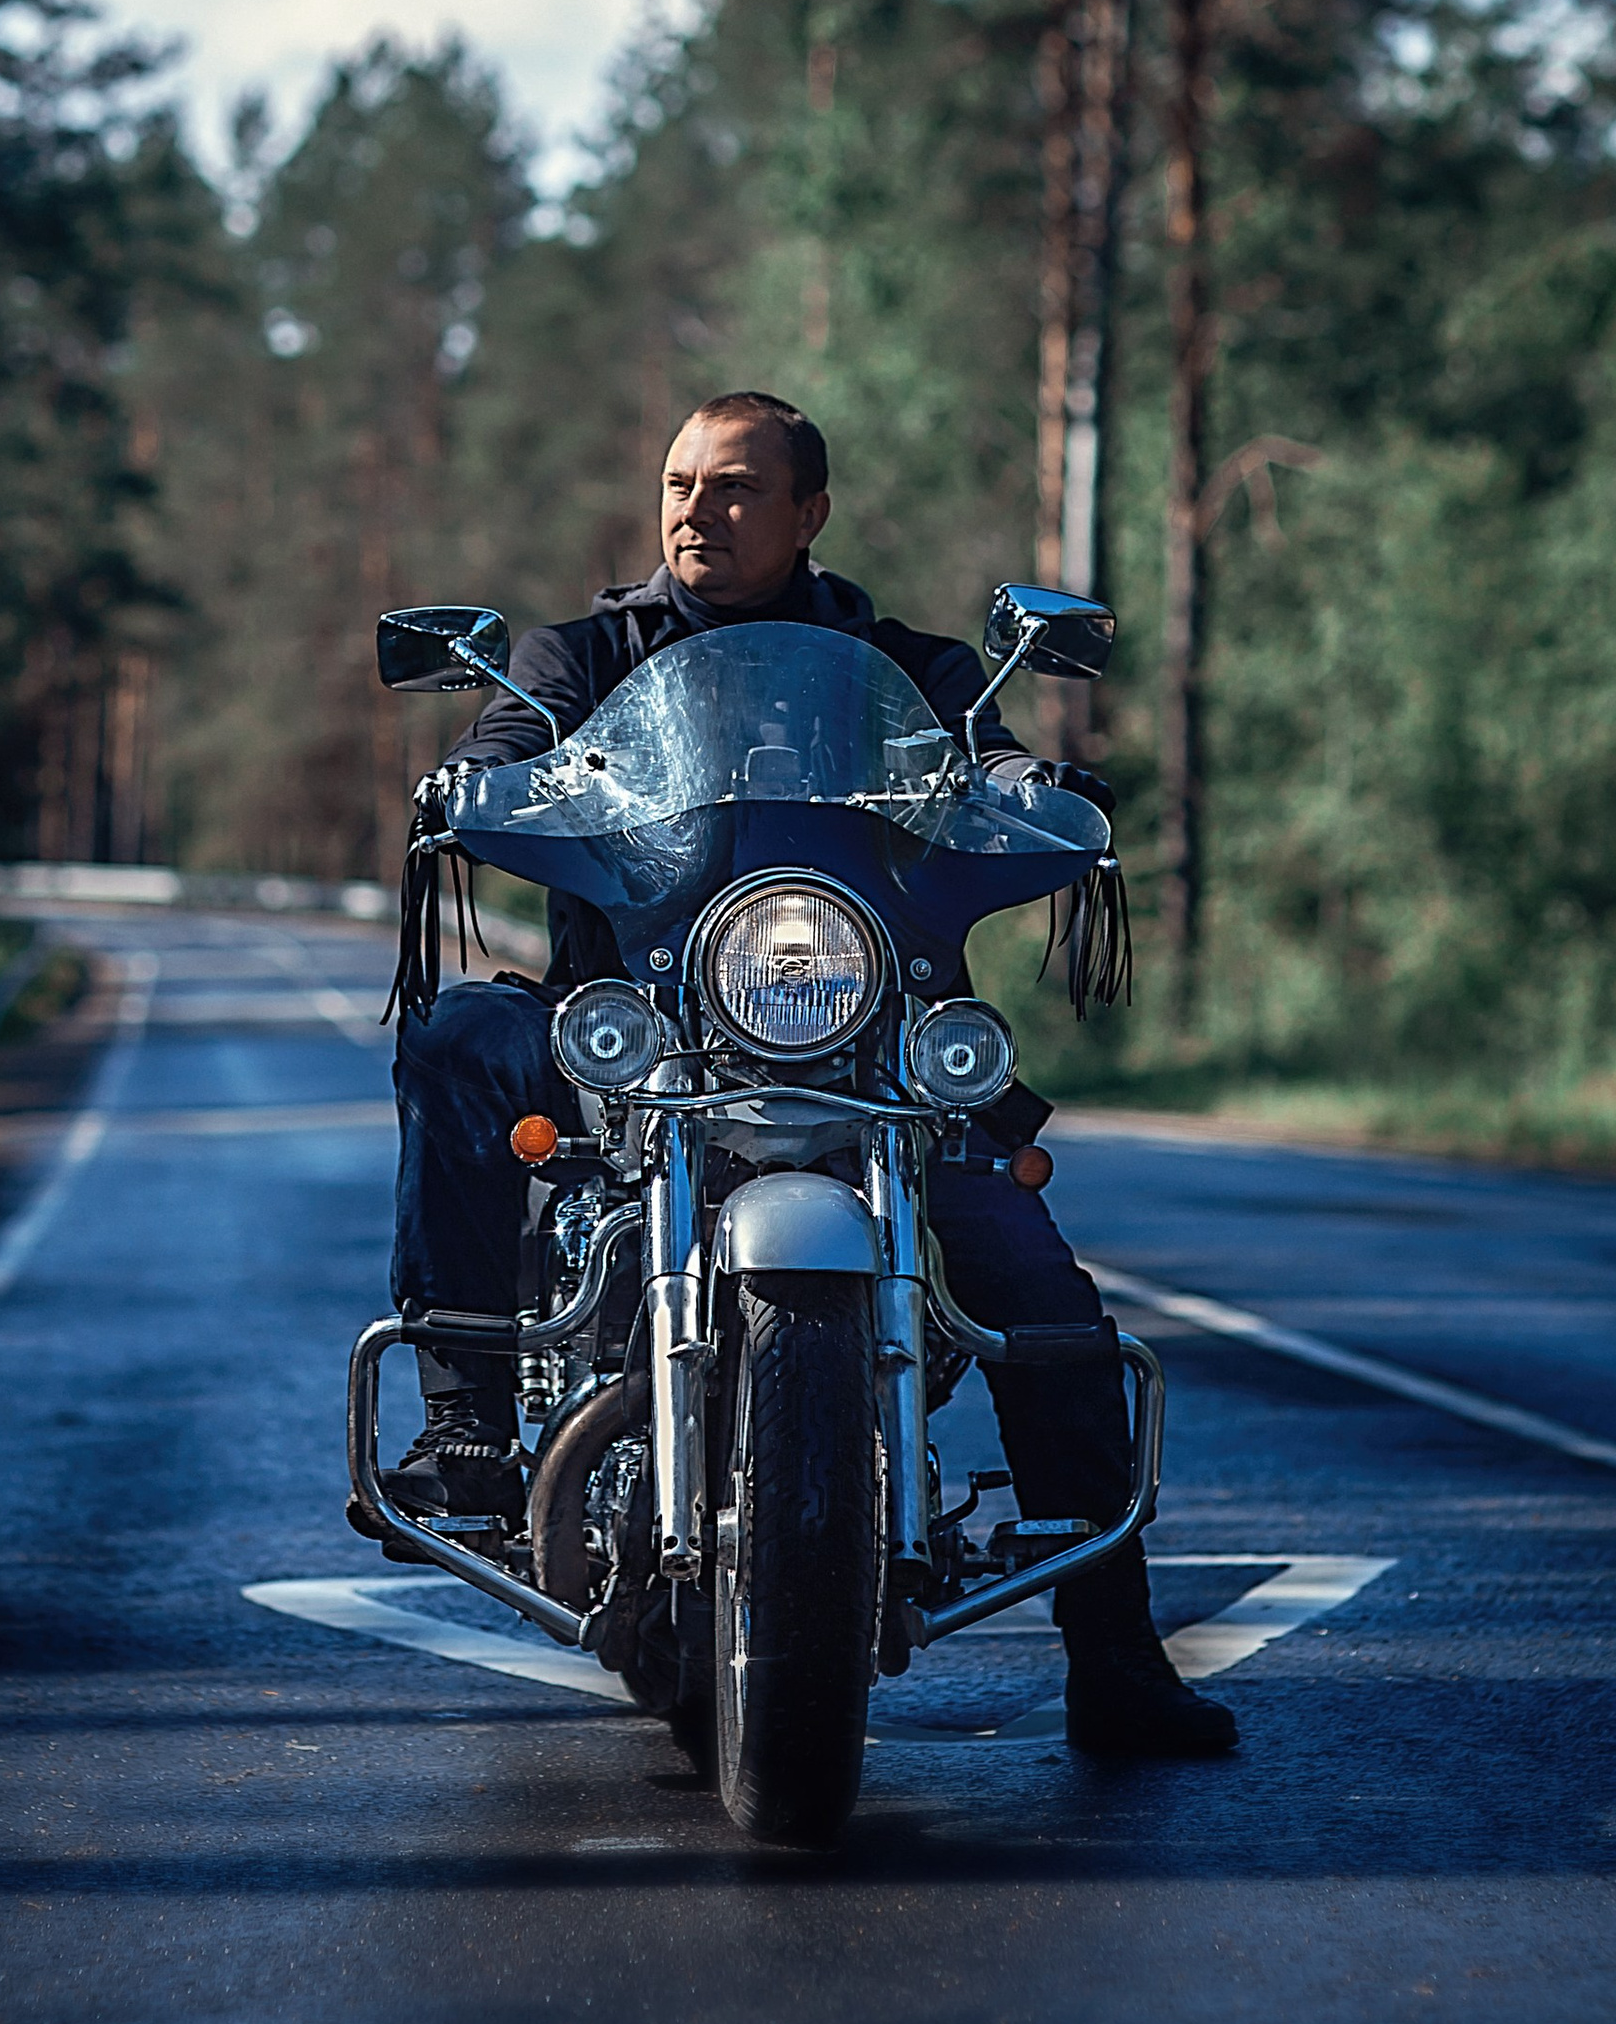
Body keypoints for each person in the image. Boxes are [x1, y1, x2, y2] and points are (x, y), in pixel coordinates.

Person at [374, 388, 1236, 1765]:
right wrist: (474, 781)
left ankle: (1118, 1658)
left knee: (1039, 1293)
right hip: (643, 1033)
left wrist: (1042, 785)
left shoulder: (912, 668)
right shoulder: (578, 655)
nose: (696, 511)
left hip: (870, 1049)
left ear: (809, 512)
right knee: (459, 1040)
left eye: (734, 488)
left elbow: (987, 758)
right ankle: (467, 1422)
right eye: (680, 484)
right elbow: (506, 749)